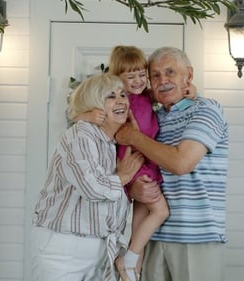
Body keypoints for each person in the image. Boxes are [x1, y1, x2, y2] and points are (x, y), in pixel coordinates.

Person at [75, 45, 198, 281]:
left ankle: (132, 270)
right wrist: (87, 116)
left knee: (140, 223)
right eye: (130, 78)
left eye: (142, 75)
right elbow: (79, 112)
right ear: (117, 80)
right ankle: (128, 259)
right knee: (160, 211)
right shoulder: (120, 101)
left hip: (147, 162)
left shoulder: (145, 96)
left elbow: (165, 90)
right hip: (136, 163)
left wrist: (189, 87)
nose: (139, 81)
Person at [115, 46, 229, 281]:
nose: (162, 80)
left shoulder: (206, 110)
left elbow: (181, 163)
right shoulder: (154, 117)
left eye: (170, 73)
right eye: (155, 75)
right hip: (154, 237)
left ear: (188, 74)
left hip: (195, 237)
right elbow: (143, 165)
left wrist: (135, 136)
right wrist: (134, 188)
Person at [31, 73, 145, 281]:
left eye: (122, 95)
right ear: (94, 104)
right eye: (110, 96)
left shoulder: (113, 145)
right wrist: (122, 177)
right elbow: (92, 188)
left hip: (100, 250)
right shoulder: (80, 134)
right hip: (64, 248)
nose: (120, 101)